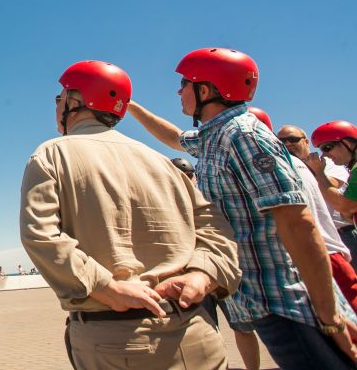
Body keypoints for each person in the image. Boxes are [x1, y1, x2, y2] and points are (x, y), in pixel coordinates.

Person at [127, 47, 357, 369]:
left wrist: (329, 314)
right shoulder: (217, 135)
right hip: (262, 299)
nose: (179, 91)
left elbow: (298, 223)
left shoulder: (244, 136)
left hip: (288, 301)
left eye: (184, 84)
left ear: (204, 90)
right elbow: (176, 137)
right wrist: (131, 107)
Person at [20, 60, 240, 370]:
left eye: (59, 99)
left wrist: (105, 288)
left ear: (76, 102)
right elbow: (214, 226)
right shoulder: (161, 161)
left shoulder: (51, 154)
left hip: (114, 340)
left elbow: (40, 235)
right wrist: (202, 274)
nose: (57, 107)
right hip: (197, 332)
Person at [276, 123, 357, 313]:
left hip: (340, 237)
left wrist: (318, 172)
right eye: (281, 141)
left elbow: (343, 205)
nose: (326, 154)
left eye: (328, 147)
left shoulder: (326, 166)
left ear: (347, 143)